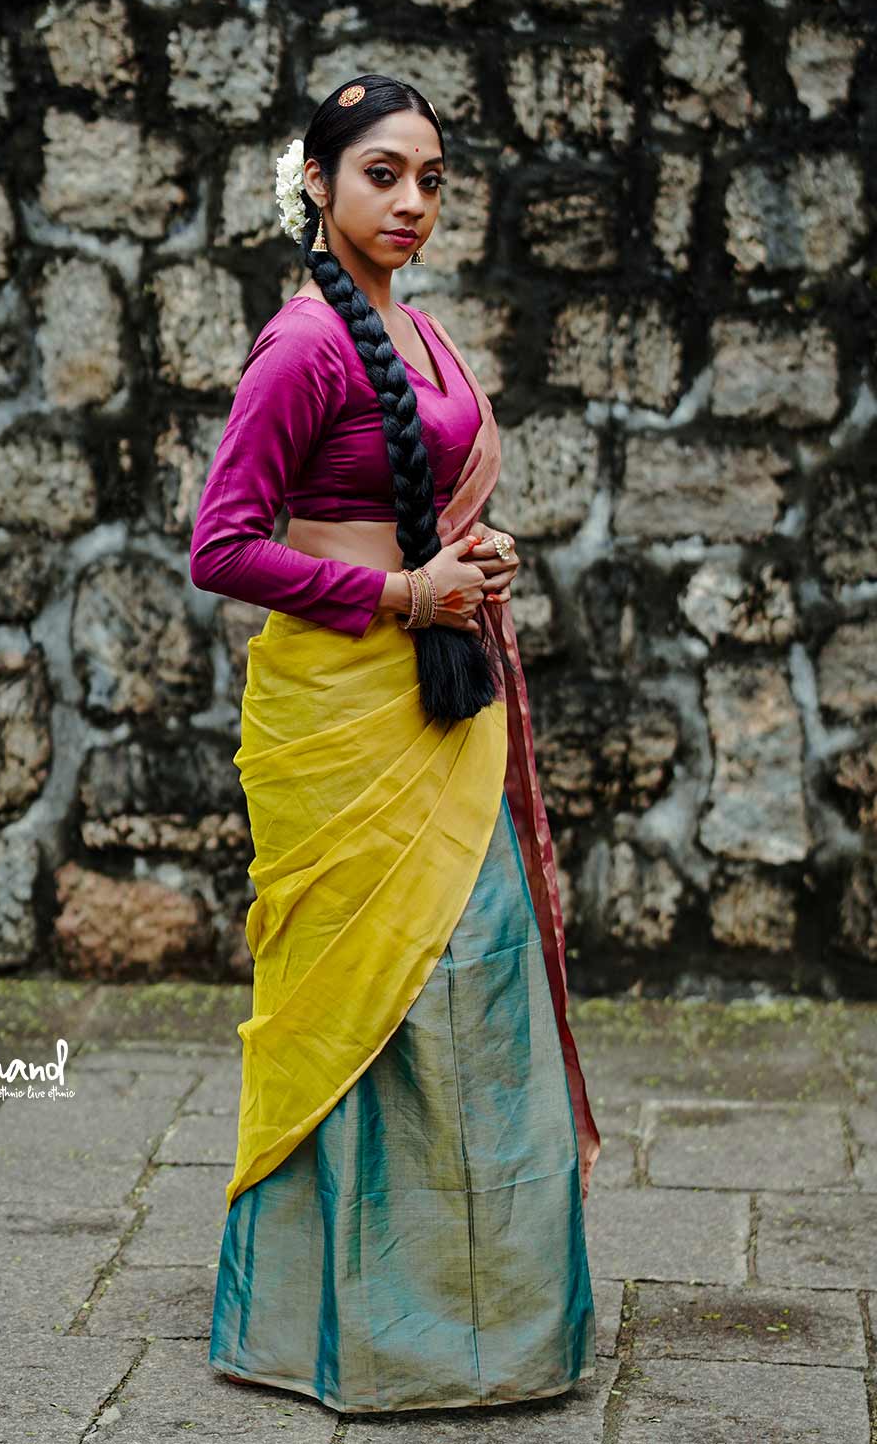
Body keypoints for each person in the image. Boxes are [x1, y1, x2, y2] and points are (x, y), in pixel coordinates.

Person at [189, 73, 601, 1415]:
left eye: (429, 176)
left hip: (433, 706)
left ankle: (479, 1324)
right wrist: (401, 596)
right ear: (317, 182)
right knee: (369, 1010)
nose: (412, 200)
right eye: (382, 173)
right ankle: (360, 1332)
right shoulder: (304, 345)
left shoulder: (413, 334)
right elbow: (222, 546)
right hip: (343, 714)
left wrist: (463, 561)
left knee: (471, 995)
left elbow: (410, 507)